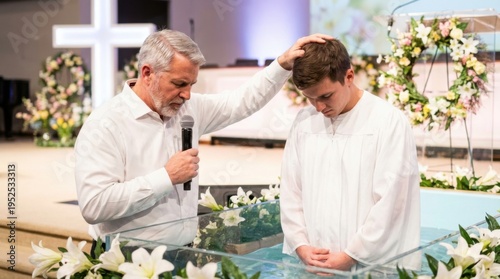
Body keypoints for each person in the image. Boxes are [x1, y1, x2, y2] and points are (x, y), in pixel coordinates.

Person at [74, 29, 332, 245]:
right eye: (179, 84)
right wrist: (165, 177)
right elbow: (95, 205)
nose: (186, 94)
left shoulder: (188, 108)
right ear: (147, 73)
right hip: (126, 262)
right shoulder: (106, 124)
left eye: (191, 85)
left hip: (184, 251)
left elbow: (239, 103)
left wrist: (281, 65)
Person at [279, 39, 421, 272]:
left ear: (349, 77)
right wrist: (301, 245)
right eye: (310, 98)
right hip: (315, 262)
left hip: (372, 266)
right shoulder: (304, 122)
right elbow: (291, 190)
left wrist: (351, 255)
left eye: (325, 96)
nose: (318, 107)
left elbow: (392, 201)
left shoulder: (387, 121)